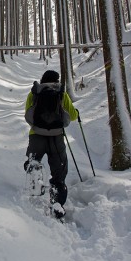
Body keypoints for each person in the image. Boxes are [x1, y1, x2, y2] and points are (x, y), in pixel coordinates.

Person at [24, 70, 78, 218]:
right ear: (56, 80)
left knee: (33, 163)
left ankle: (35, 188)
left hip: (36, 137)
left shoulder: (34, 92)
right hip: (56, 138)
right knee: (59, 173)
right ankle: (57, 203)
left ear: (42, 79)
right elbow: (72, 116)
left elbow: (28, 116)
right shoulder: (61, 93)